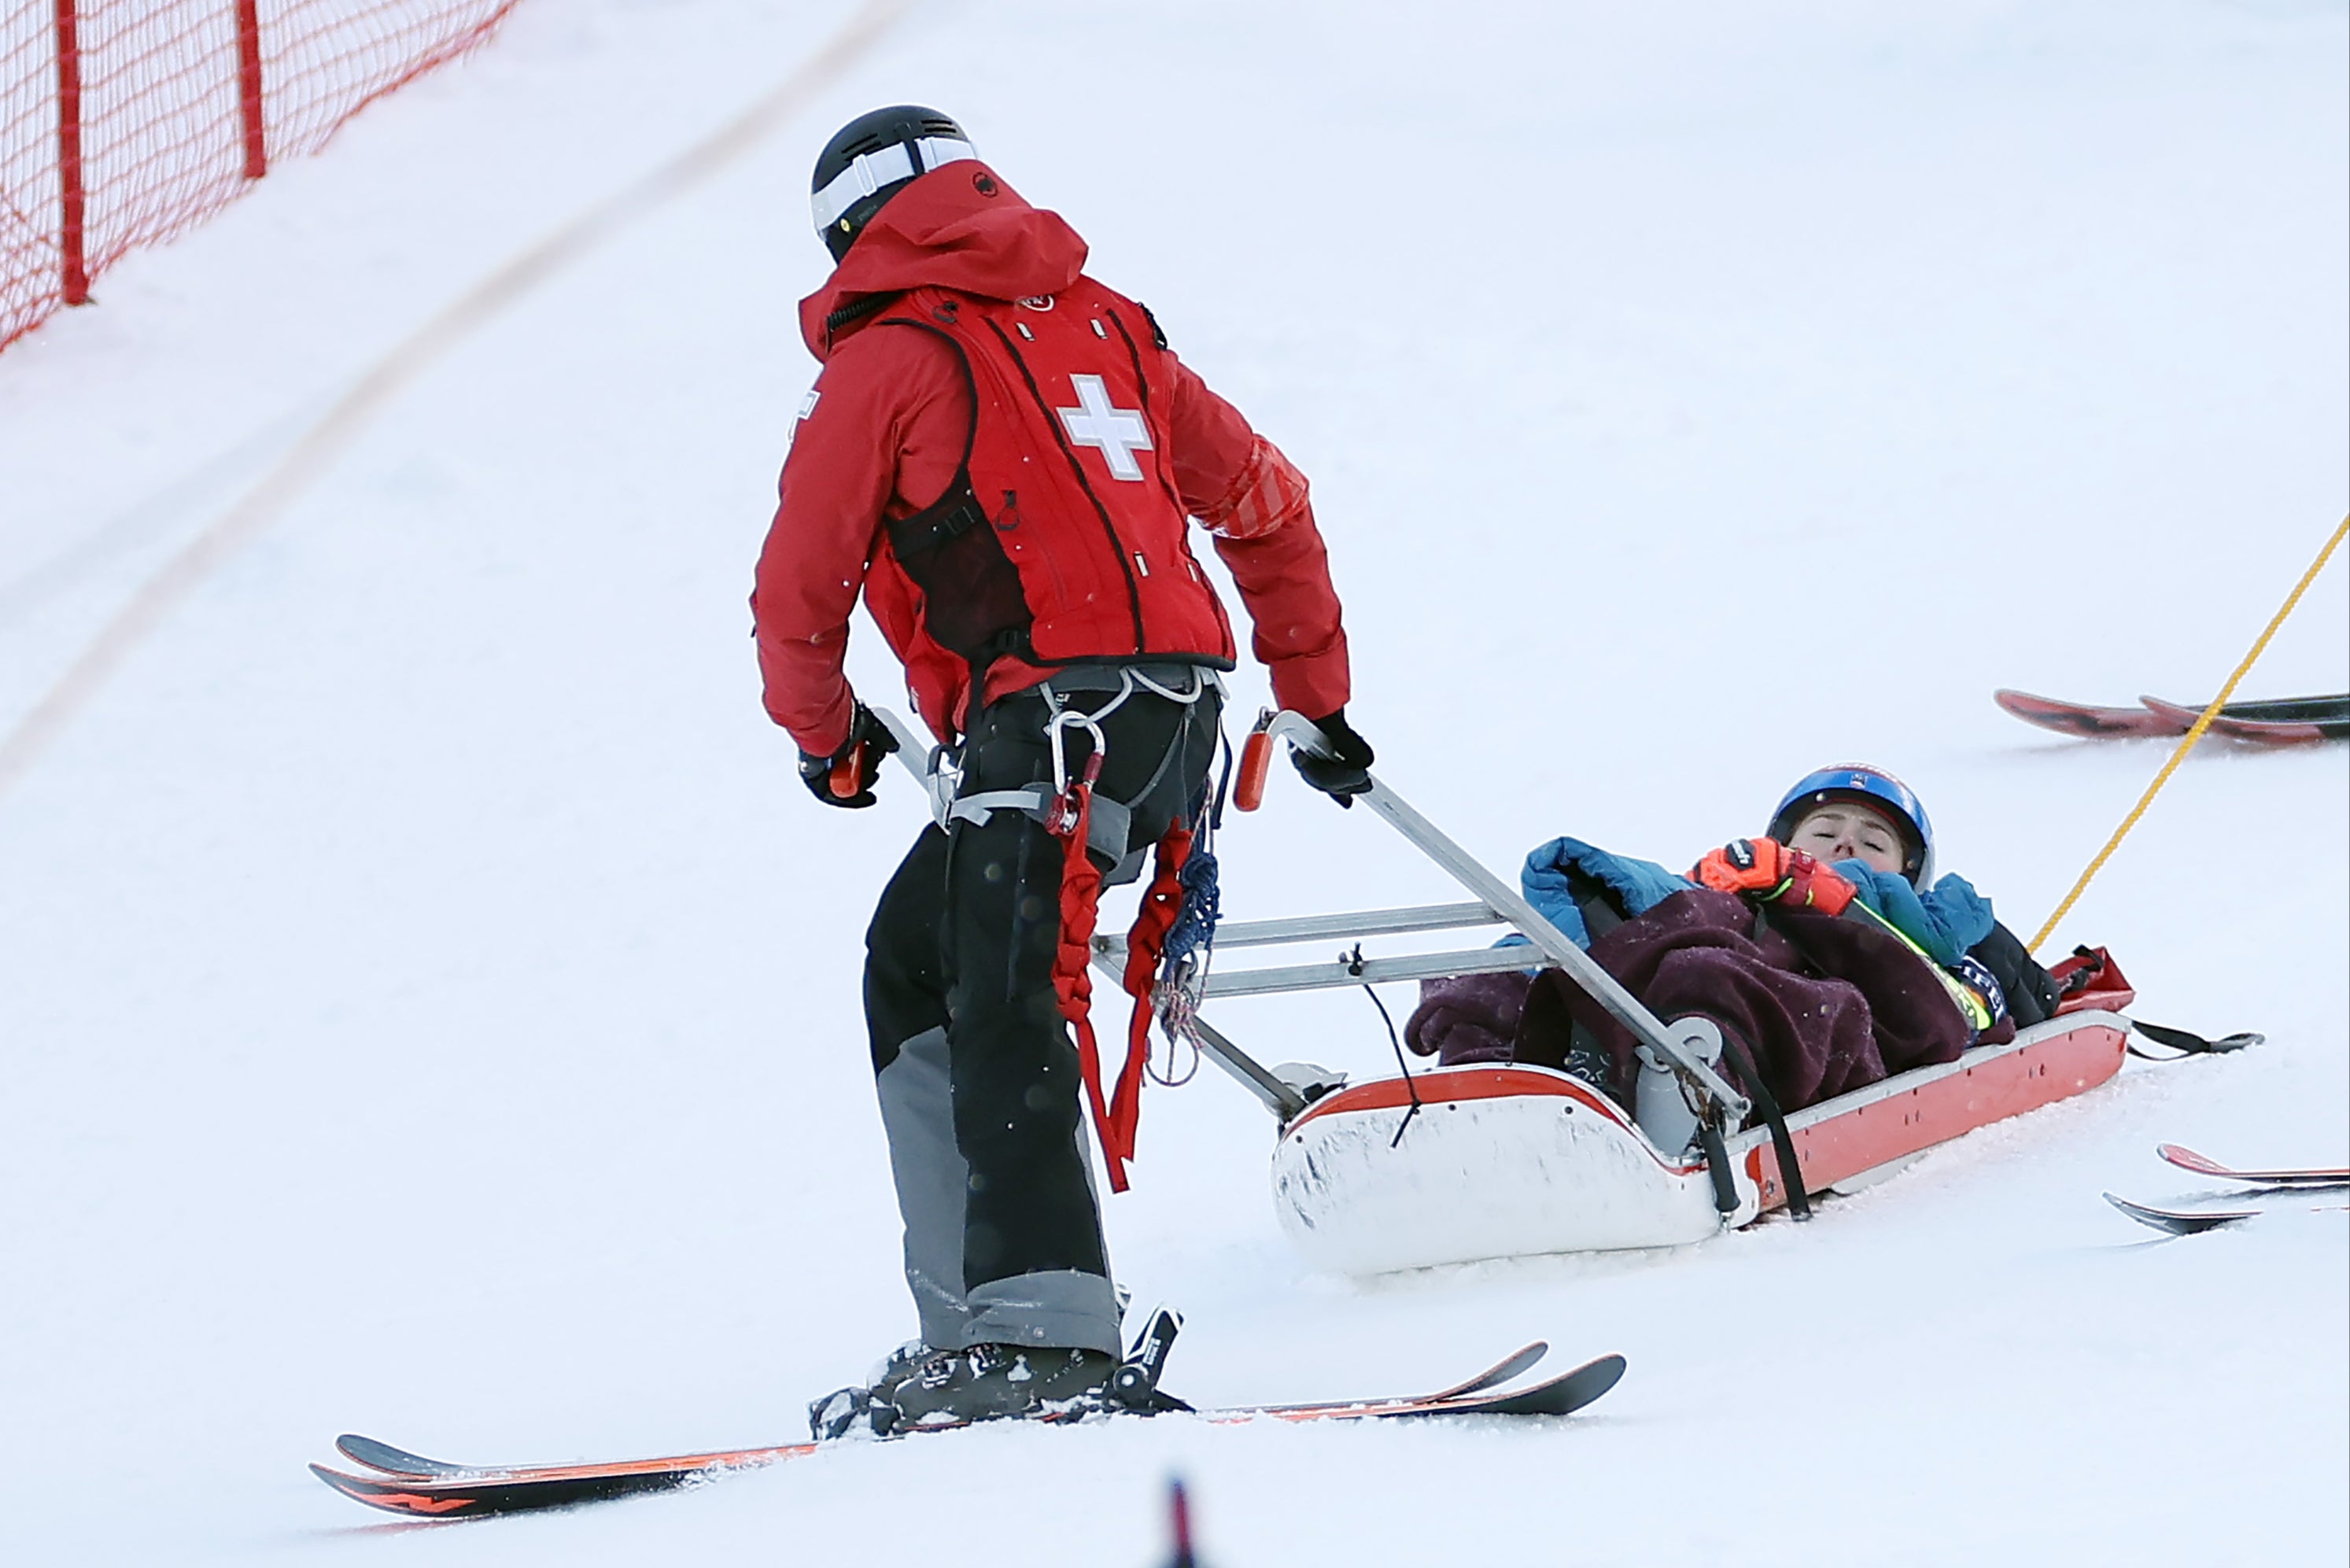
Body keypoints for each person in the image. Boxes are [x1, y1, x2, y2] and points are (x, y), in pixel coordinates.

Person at [751, 107, 1365, 1428]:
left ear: (847, 233)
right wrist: (1310, 695)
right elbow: (1267, 501)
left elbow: (796, 585)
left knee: (1003, 991)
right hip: (1173, 730)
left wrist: (825, 739)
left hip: (1047, 728)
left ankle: (1042, 1342)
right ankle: (973, 1331)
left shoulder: (888, 359)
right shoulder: (1108, 324)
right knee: (917, 956)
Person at [1406, 765, 2058, 1135]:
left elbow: (1973, 1006)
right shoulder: (1741, 893)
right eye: (1825, 831)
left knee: (1709, 972)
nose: (1845, 847)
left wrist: (1841, 910)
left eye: (1872, 843)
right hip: (1685, 986)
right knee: (1519, 961)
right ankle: (1485, 1095)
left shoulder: (1934, 934)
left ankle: (1690, 1098)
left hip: (1818, 1011)